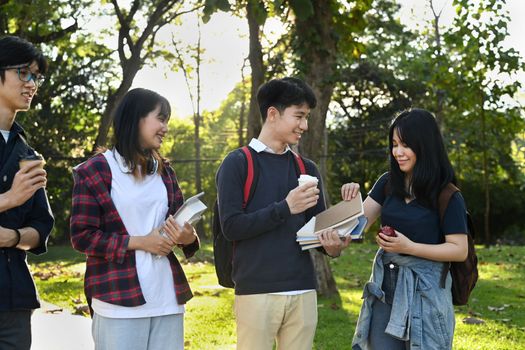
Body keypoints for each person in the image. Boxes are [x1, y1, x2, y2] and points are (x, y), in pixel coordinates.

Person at [216, 77, 349, 350]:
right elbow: (231, 227)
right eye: (299, 116)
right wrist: (285, 208)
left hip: (303, 289)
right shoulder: (238, 163)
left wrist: (334, 245)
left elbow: (317, 230)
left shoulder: (307, 168)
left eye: (307, 117)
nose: (305, 126)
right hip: (256, 290)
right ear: (273, 114)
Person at [70, 88, 199, 350]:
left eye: (167, 120)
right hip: (118, 299)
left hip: (166, 298)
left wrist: (187, 237)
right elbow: (82, 236)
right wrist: (140, 242)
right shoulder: (95, 170)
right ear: (136, 118)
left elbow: (181, 224)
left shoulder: (165, 171)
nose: (165, 127)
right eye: (160, 119)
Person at [341, 108, 468, 350]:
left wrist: (409, 247)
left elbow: (459, 249)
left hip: (427, 291)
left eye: (406, 145)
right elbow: (355, 225)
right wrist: (350, 201)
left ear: (425, 146)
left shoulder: (447, 194)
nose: (398, 152)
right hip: (385, 288)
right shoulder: (387, 183)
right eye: (394, 144)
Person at [0, 35, 54, 350]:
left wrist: (15, 238)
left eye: (36, 76)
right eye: (24, 72)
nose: (32, 83)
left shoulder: (27, 153)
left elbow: (41, 226)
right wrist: (9, 199)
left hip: (15, 302)